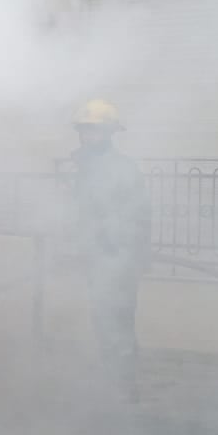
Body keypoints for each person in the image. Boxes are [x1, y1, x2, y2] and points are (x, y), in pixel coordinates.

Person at [69, 100, 150, 398]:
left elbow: (137, 214)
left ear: (109, 133)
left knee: (118, 321)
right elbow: (82, 209)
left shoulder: (122, 169)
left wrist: (114, 242)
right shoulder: (86, 165)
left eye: (94, 131)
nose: (87, 137)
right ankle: (113, 380)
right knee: (103, 320)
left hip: (118, 258)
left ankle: (122, 387)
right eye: (84, 130)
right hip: (98, 257)